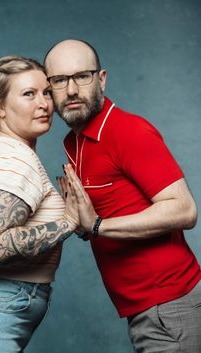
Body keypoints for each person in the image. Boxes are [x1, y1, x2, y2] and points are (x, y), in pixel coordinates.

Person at [44, 39, 201, 352]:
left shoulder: (127, 131)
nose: (72, 90)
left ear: (101, 79)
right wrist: (80, 222)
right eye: (60, 80)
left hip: (170, 306)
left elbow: (184, 211)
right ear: (50, 89)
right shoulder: (74, 144)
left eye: (82, 76)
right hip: (142, 309)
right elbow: (106, 215)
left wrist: (98, 225)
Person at [0, 55, 80, 353]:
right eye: (28, 94)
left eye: (46, 92)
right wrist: (69, 221)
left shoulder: (13, 152)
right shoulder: (13, 161)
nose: (43, 104)